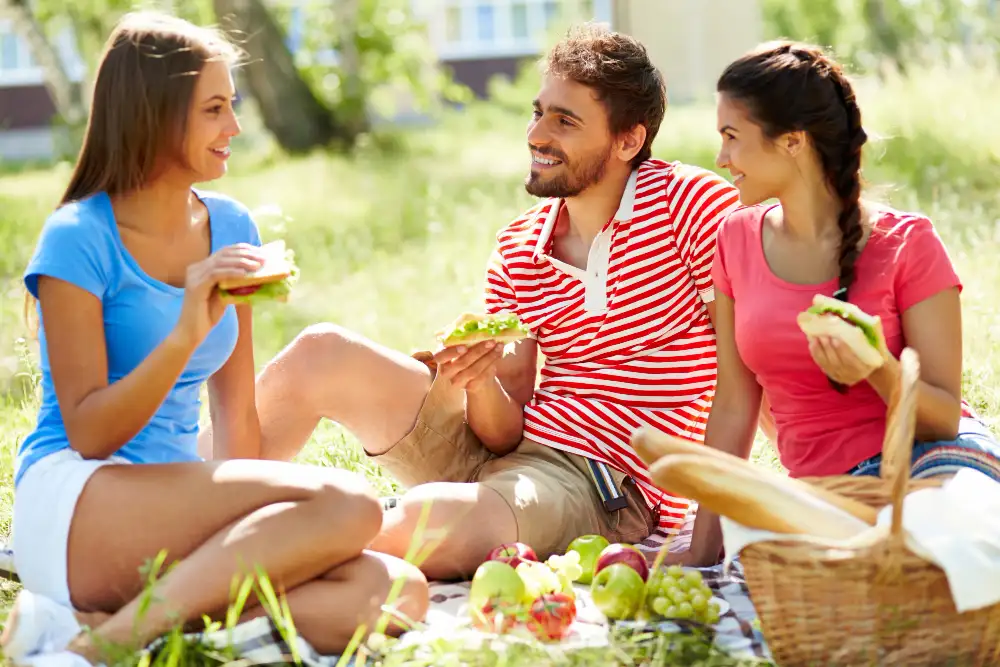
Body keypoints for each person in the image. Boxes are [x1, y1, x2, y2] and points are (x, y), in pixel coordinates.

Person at [225, 24, 743, 581]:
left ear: (627, 141)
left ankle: (235, 559)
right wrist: (479, 377)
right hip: (508, 454)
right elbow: (504, 431)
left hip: (603, 483)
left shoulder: (688, 205)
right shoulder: (520, 247)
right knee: (320, 352)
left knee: (433, 524)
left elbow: (742, 373)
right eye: (538, 111)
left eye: (565, 121)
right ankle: (180, 501)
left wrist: (711, 531)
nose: (537, 134)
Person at [1, 12, 427, 667]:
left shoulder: (232, 225)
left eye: (233, 106)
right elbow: (88, 432)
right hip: (76, 500)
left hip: (177, 499)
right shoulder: (77, 237)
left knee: (395, 591)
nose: (235, 127)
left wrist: (255, 538)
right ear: (156, 115)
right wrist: (183, 333)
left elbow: (237, 416)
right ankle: (100, 646)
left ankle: (93, 626)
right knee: (351, 505)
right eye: (215, 109)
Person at [680, 40, 1000, 567]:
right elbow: (735, 405)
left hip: (929, 473)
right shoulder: (733, 240)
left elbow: (943, 418)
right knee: (766, 544)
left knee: (930, 546)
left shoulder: (909, 245)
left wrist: (876, 369)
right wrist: (702, 551)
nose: (721, 159)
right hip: (825, 498)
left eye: (732, 137)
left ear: (792, 141)